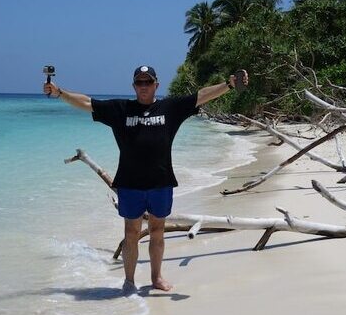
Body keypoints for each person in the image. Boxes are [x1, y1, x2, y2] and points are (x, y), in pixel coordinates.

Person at [43, 65, 248, 292]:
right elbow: (87, 103)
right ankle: (129, 281)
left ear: (156, 85)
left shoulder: (170, 108)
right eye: (139, 82)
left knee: (157, 232)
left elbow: (200, 96)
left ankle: (156, 278)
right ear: (133, 86)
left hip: (161, 182)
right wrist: (60, 93)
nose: (143, 86)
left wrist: (228, 85)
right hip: (130, 183)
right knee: (131, 233)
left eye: (148, 82)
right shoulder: (121, 109)